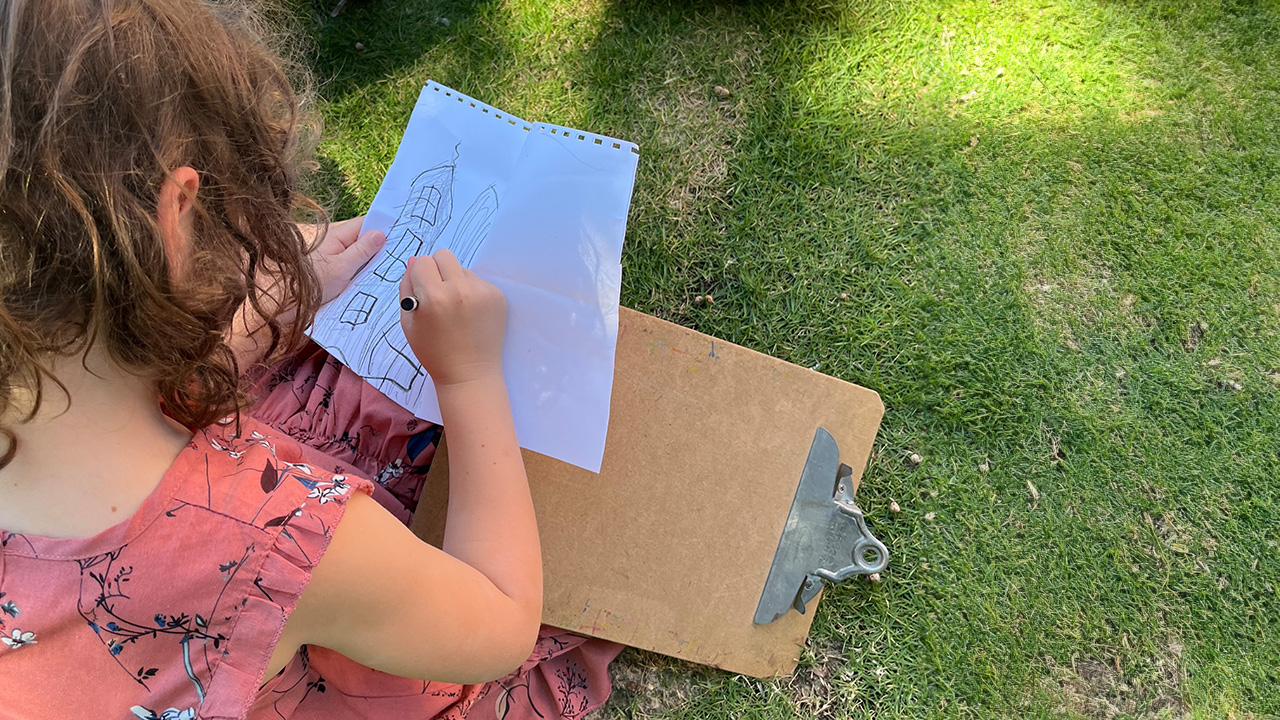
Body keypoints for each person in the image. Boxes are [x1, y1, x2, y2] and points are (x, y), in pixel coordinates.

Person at [0, 0, 620, 717]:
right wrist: (468, 373)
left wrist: (256, 319)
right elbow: (502, 621)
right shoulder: (269, 540)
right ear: (175, 218)